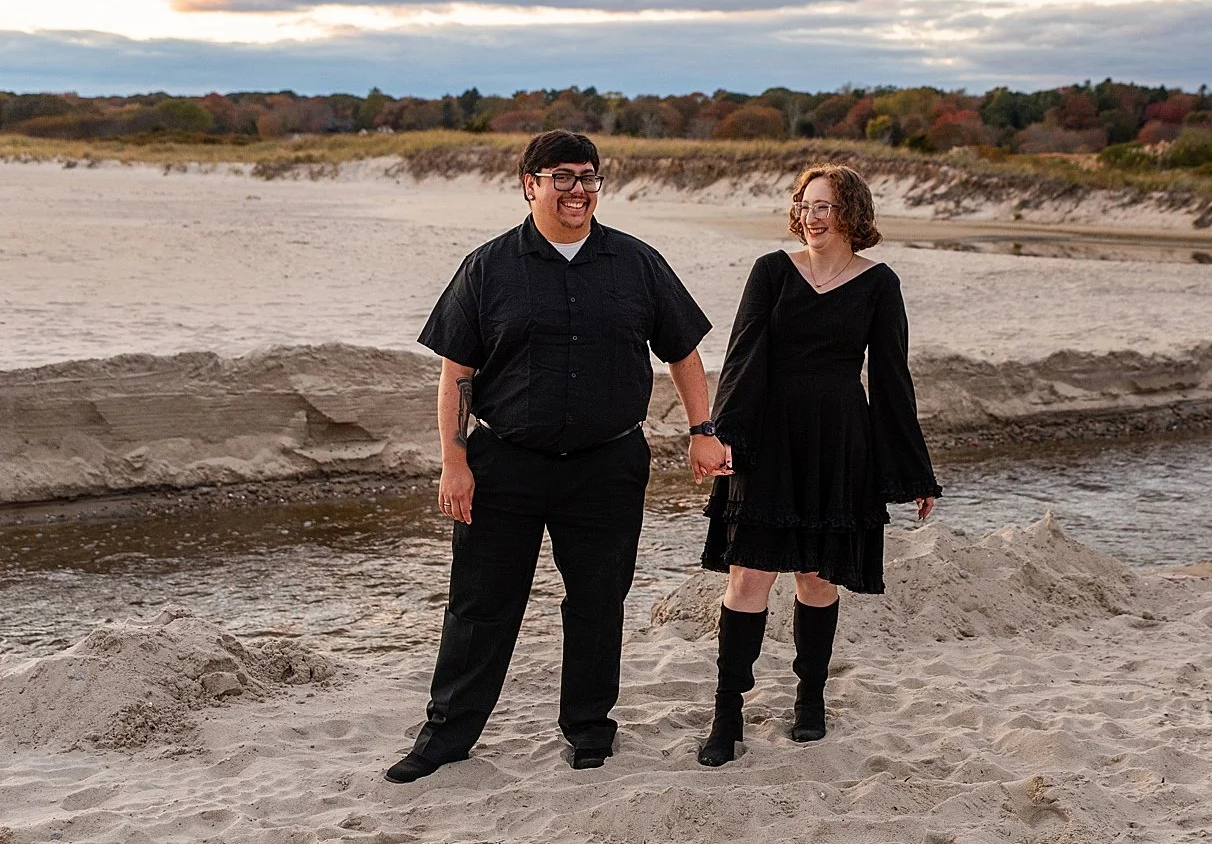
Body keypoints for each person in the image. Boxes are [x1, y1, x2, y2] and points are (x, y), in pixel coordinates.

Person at [386, 130, 730, 783]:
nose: (578, 190)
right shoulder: (487, 267)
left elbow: (683, 350)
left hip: (607, 464)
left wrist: (701, 427)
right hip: (505, 462)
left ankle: (589, 731)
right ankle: (446, 736)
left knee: (599, 601)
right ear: (530, 184)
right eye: (562, 177)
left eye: (589, 177)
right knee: (481, 602)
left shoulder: (637, 263)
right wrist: (454, 461)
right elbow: (457, 370)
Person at [695, 163, 942, 767]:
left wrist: (912, 471)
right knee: (748, 577)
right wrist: (719, 435)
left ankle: (809, 697)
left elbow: (890, 379)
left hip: (838, 440)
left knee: (816, 577)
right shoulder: (772, 271)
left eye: (825, 205)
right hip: (770, 437)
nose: (811, 215)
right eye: (805, 204)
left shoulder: (879, 285)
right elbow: (742, 358)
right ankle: (728, 712)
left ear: (852, 214)